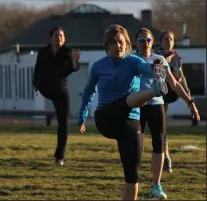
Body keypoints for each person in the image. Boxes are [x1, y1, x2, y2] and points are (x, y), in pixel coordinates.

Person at [77, 24, 169, 200]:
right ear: (107, 45)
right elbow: (89, 91)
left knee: (132, 176)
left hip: (130, 122)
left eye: (120, 42)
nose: (117, 46)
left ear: (126, 44)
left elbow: (148, 70)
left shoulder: (134, 62)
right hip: (106, 117)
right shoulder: (98, 66)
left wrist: (158, 68)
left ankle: (155, 89)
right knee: (128, 99)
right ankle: (154, 91)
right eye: (113, 43)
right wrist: (82, 116)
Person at [135, 28, 200, 199]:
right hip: (136, 107)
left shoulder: (158, 59)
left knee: (159, 144)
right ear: (136, 43)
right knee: (135, 147)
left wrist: (190, 103)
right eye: (141, 40)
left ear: (152, 41)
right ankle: (133, 181)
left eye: (148, 40)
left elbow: (171, 84)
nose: (145, 43)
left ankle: (156, 185)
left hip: (156, 106)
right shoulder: (131, 60)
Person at [33, 26, 80, 166]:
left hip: (60, 89)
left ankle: (59, 157)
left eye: (61, 36)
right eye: (56, 35)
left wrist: (73, 60)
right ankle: (52, 113)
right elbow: (37, 69)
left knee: (63, 123)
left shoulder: (68, 52)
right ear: (51, 38)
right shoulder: (43, 52)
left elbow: (74, 68)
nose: (58, 38)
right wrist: (35, 84)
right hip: (45, 87)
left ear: (64, 39)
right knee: (49, 81)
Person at [154, 30, 197, 173]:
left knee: (161, 130)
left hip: (171, 93)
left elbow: (182, 81)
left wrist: (191, 102)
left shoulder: (177, 58)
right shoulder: (156, 56)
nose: (169, 42)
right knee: (160, 129)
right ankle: (165, 157)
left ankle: (164, 157)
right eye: (166, 39)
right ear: (161, 41)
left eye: (171, 39)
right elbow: (158, 78)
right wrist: (167, 62)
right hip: (156, 94)